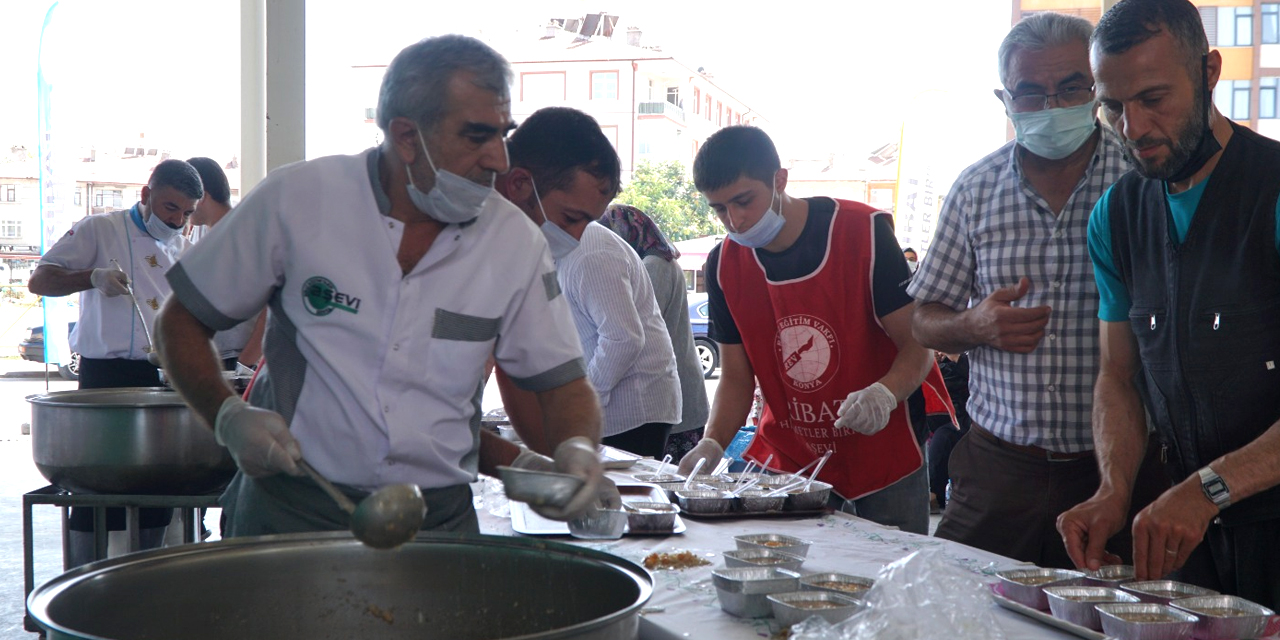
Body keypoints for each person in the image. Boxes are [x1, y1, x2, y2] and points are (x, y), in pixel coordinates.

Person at [155, 35, 609, 537]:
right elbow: (180, 321)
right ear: (406, 136)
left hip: (438, 524)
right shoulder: (299, 200)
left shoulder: (514, 244)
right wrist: (228, 416)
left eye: (503, 134)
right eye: (477, 136)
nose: (499, 160)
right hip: (294, 510)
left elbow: (563, 382)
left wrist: (576, 449)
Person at [909, 12, 1167, 569]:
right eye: (1031, 91)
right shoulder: (976, 189)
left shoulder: (1142, 181)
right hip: (999, 469)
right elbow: (922, 318)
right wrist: (971, 325)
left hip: (1120, 471)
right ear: (1005, 99)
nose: (1052, 106)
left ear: (1097, 87)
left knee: (1114, 619)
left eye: (1071, 86)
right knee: (956, 610)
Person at [1057, 0, 1280, 609]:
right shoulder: (1116, 217)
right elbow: (1120, 376)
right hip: (1191, 534)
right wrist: (1113, 488)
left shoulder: (1273, 190)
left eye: (1155, 98)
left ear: (1210, 72)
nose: (1133, 128)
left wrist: (1208, 489)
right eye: (1113, 105)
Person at [676, 125, 939, 534]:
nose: (735, 220)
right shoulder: (725, 265)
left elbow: (919, 346)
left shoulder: (863, 234)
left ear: (780, 179)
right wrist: (712, 442)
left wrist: (884, 394)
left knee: (893, 578)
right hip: (792, 458)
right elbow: (735, 378)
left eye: (744, 201)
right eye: (719, 209)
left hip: (885, 455)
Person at [28, 158, 204, 567]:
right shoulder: (101, 229)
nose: (177, 221)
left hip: (161, 376)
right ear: (146, 196)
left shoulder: (184, 247)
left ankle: (144, 584)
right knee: (94, 488)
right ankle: (79, 587)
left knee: (160, 488)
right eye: (169, 208)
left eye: (186, 212)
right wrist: (91, 277)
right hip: (105, 377)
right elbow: (40, 280)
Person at [492, 107, 681, 459]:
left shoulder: (569, 250)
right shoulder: (467, 232)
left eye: (587, 221)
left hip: (631, 413)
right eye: (570, 217)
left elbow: (518, 363)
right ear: (518, 184)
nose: (576, 236)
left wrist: (557, 456)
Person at [598, 203, 710, 460]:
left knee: (666, 482)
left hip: (677, 396)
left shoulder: (654, 266)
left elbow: (637, 327)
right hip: (681, 388)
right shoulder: (659, 260)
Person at [185, 156, 263, 370]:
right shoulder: (201, 233)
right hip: (212, 355)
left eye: (187, 202)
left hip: (239, 357)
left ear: (202, 197)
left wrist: (244, 364)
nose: (185, 211)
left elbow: (272, 309)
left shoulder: (244, 234)